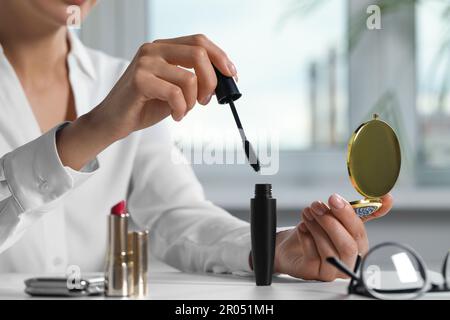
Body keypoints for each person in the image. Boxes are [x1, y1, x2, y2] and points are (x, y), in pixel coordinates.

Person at [0, 0, 392, 281]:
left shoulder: (120, 82)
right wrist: (90, 132)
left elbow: (175, 214)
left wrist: (269, 250)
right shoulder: (120, 98)